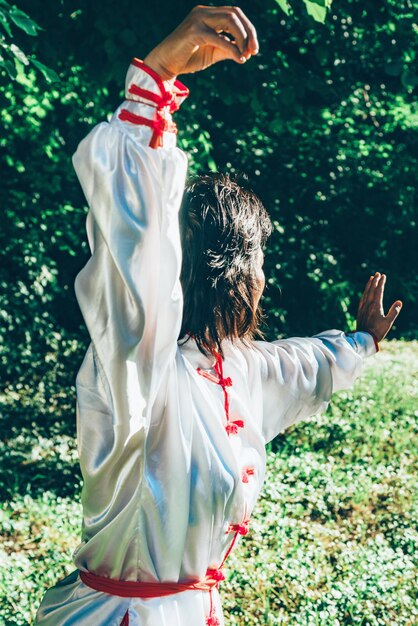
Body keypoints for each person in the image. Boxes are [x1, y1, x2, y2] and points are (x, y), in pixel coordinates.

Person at [35, 6, 402, 626]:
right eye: (259, 260)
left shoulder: (232, 367)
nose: (265, 277)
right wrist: (154, 83)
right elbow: (136, 248)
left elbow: (303, 364)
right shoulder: (139, 368)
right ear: (231, 269)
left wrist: (361, 342)